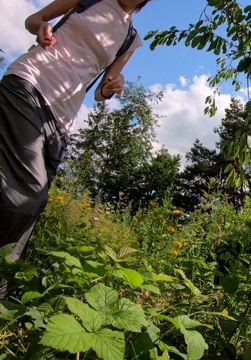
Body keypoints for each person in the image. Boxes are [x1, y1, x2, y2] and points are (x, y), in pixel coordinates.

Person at [0, 0, 149, 283]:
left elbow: (102, 91)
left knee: (32, 206)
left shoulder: (130, 38)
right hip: (30, 84)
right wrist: (41, 28)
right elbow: (35, 18)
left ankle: (3, 288)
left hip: (63, 119)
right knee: (28, 193)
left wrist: (111, 87)